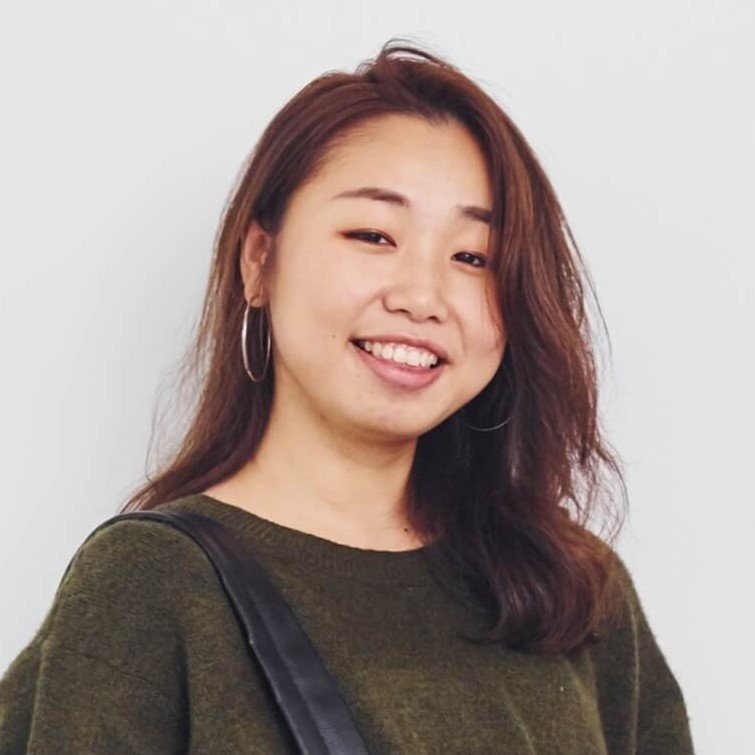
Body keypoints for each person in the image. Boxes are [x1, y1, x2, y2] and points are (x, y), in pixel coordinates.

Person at [0, 39, 695, 753]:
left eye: (473, 257)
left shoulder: (568, 588)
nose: (423, 296)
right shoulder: (148, 586)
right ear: (259, 261)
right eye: (372, 235)